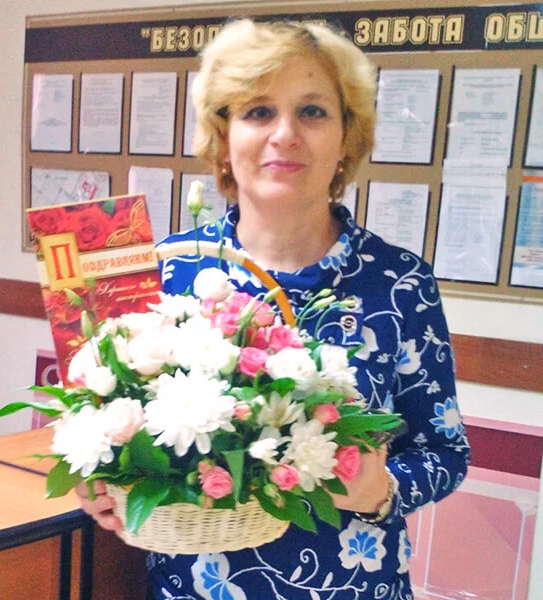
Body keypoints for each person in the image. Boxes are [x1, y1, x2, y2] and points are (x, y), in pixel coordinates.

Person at [76, 19, 470, 599]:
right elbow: (103, 426)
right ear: (224, 137)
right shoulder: (167, 273)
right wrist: (98, 483)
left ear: (346, 139)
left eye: (312, 111)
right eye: (259, 111)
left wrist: (381, 488)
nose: (285, 134)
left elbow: (444, 451)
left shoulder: (399, 282)